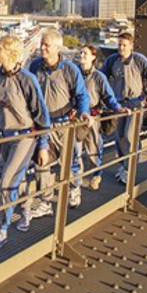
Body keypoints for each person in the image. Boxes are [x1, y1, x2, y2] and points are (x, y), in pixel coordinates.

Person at [0, 34, 50, 249]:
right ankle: (25, 210)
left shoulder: (27, 80)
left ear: (9, 53)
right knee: (19, 178)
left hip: (24, 137)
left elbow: (42, 115)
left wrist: (43, 145)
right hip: (4, 136)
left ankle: (1, 229)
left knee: (7, 179)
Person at [25, 28, 90, 216]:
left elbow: (82, 95)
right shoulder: (35, 66)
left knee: (70, 163)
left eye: (46, 45)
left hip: (65, 125)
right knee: (41, 163)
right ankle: (46, 201)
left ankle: (75, 188)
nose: (42, 48)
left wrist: (84, 112)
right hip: (43, 126)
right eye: (41, 44)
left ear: (57, 48)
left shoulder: (70, 70)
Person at [101, 32, 147, 183]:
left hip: (135, 103)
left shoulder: (140, 60)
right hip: (119, 104)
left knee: (130, 136)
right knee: (119, 136)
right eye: (119, 45)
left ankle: (130, 168)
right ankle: (123, 165)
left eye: (124, 45)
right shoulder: (112, 60)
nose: (121, 48)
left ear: (131, 46)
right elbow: (100, 79)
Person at [76, 43, 126, 192]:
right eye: (80, 53)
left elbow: (108, 96)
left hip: (93, 118)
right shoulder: (74, 73)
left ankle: (96, 175)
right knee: (75, 150)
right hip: (77, 118)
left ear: (93, 57)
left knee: (93, 148)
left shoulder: (98, 77)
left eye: (85, 54)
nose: (81, 56)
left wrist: (117, 108)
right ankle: (76, 180)